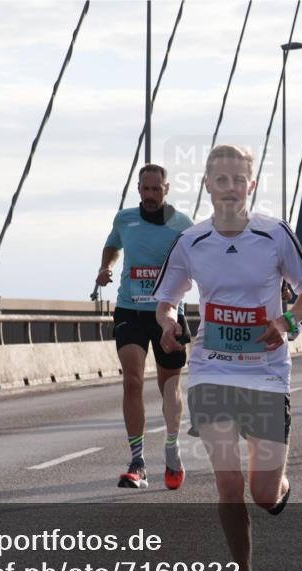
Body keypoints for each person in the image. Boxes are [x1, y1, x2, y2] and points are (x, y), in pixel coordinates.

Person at [154, 144, 302, 571]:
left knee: (263, 494)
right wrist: (168, 323)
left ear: (251, 185)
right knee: (228, 485)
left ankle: (279, 488)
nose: (229, 188)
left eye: (238, 179)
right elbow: (167, 301)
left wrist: (286, 322)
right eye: (220, 180)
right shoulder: (191, 241)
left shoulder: (274, 234)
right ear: (207, 185)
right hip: (212, 370)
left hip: (265, 374)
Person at [96, 164, 193, 490]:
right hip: (131, 310)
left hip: (168, 314)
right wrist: (106, 267)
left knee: (169, 386)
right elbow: (113, 245)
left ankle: (172, 446)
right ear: (138, 189)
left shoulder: (183, 224)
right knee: (132, 381)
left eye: (156, 189)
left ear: (166, 189)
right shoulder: (124, 219)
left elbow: (201, 260)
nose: (150, 195)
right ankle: (137, 461)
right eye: (145, 189)